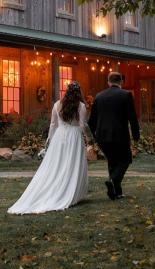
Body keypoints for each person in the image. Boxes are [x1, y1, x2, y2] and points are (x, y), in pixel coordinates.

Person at [8, 81, 92, 214]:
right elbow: (82, 125)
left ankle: (60, 188)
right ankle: (69, 191)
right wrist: (87, 138)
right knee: (72, 164)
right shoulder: (81, 106)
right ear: (79, 92)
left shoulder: (57, 104)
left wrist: (50, 141)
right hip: (74, 137)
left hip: (60, 136)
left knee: (58, 164)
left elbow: (53, 125)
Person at [88, 71, 140, 200]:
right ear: (121, 82)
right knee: (125, 159)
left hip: (102, 136)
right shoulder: (126, 95)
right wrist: (136, 136)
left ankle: (116, 192)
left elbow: (91, 121)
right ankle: (113, 181)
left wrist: (93, 138)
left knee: (112, 162)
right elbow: (132, 118)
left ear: (108, 82)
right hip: (119, 134)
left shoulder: (99, 96)